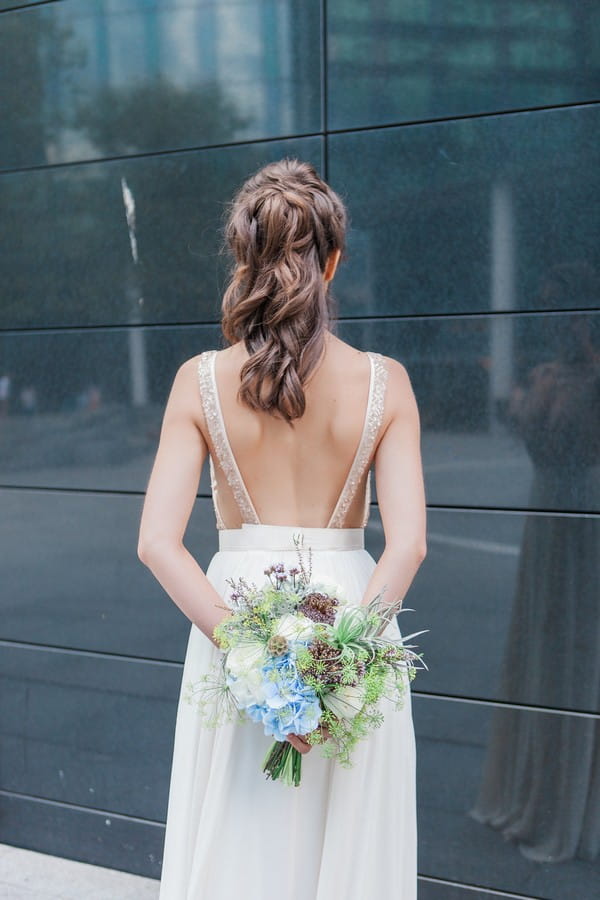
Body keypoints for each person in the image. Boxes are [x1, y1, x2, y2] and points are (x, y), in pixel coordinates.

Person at [137, 158, 427, 899]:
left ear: (248, 259)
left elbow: (157, 544)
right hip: (354, 621)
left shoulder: (198, 380)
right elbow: (410, 544)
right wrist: (345, 662)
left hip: (237, 619)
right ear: (333, 262)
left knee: (239, 831)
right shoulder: (387, 382)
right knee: (352, 844)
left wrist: (257, 661)